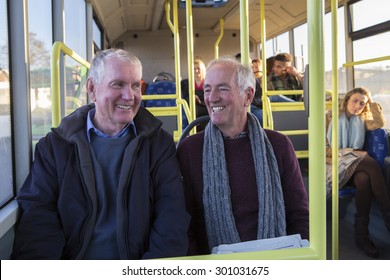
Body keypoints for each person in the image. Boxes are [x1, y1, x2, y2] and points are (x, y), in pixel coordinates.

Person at [12, 49, 190, 260]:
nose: (129, 96)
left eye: (136, 85)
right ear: (92, 89)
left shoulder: (159, 144)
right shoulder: (55, 147)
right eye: (118, 84)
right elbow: (38, 218)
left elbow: (171, 216)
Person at [177, 57, 309, 255]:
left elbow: (298, 215)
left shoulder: (279, 145)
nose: (211, 98)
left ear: (248, 96)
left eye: (222, 89)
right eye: (207, 89)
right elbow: (184, 224)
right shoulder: (190, 150)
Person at [326, 87, 390, 258]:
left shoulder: (362, 120)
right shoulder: (329, 117)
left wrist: (372, 104)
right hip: (332, 165)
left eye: (362, 103)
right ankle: (386, 216)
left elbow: (379, 124)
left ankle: (361, 236)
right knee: (369, 164)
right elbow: (322, 149)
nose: (358, 106)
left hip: (354, 167)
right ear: (346, 100)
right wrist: (352, 152)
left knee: (364, 179)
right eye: (355, 100)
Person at [181, 58, 208, 130]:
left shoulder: (208, 82)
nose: (196, 71)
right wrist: (192, 97)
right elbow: (183, 98)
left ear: (203, 69)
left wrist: (199, 101)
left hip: (205, 107)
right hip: (191, 109)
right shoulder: (185, 84)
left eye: (198, 68)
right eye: (194, 69)